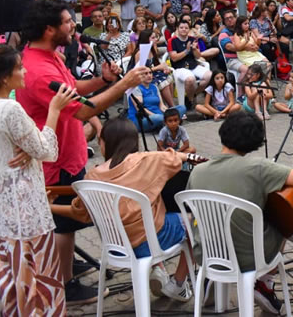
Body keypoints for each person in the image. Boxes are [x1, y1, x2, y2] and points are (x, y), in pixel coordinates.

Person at [15, 0, 147, 304]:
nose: (74, 25)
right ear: (49, 29)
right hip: (56, 161)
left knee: (71, 220)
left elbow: (73, 87)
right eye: (67, 22)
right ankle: (66, 285)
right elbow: (82, 111)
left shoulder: (50, 55)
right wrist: (123, 84)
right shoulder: (38, 70)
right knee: (64, 224)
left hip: (69, 153)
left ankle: (67, 263)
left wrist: (103, 80)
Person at [0, 45, 77, 316]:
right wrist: (54, 109)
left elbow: (13, 147)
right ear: (5, 77)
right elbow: (47, 150)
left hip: (3, 213)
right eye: (19, 67)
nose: (25, 71)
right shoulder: (9, 108)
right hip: (26, 214)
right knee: (39, 286)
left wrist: (30, 151)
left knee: (17, 282)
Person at [51, 118, 195, 302]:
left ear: (106, 143)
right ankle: (179, 284)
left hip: (116, 249)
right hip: (150, 244)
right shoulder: (148, 160)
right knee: (197, 222)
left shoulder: (92, 176)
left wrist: (49, 206)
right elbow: (182, 158)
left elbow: (81, 214)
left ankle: (158, 269)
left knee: (143, 217)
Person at [187, 112, 293, 312]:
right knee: (282, 222)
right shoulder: (259, 167)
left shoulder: (197, 171)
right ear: (254, 142)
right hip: (249, 258)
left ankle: (213, 279)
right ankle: (264, 283)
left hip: (207, 253)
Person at [168, 21, 212, 108]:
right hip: (179, 67)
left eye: (186, 28)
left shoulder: (192, 39)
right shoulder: (172, 41)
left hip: (193, 65)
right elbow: (174, 58)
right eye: (181, 28)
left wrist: (195, 49)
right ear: (177, 29)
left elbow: (198, 56)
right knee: (190, 79)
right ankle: (191, 100)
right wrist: (186, 51)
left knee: (209, 75)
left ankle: (192, 96)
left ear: (189, 29)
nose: (184, 29)